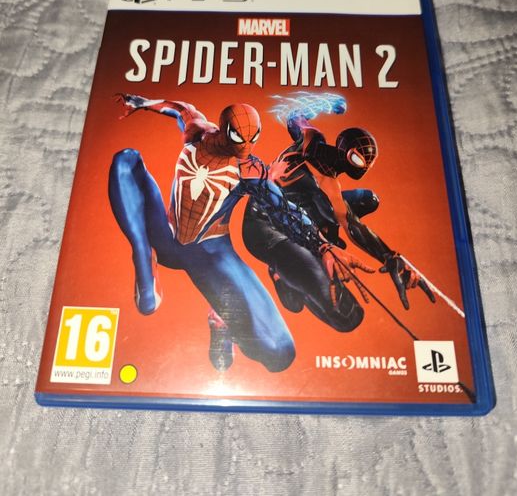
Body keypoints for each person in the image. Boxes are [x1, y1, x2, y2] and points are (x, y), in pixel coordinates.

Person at [109, 94, 366, 372]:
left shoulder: (248, 170)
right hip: (166, 235)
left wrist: (323, 247)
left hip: (211, 254)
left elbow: (285, 211)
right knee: (126, 159)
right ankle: (143, 255)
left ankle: (222, 322)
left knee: (281, 354)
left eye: (252, 139)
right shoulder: (197, 131)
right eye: (239, 137)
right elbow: (179, 107)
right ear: (223, 128)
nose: (245, 147)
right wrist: (140, 102)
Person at [243, 101, 435, 323]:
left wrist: (389, 256)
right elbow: (350, 223)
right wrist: (327, 104)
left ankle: (321, 240)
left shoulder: (319, 160)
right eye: (357, 159)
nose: (361, 167)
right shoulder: (318, 161)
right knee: (346, 316)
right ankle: (279, 271)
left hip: (300, 214)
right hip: (263, 225)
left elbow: (352, 224)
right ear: (346, 152)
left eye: (366, 163)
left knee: (367, 199)